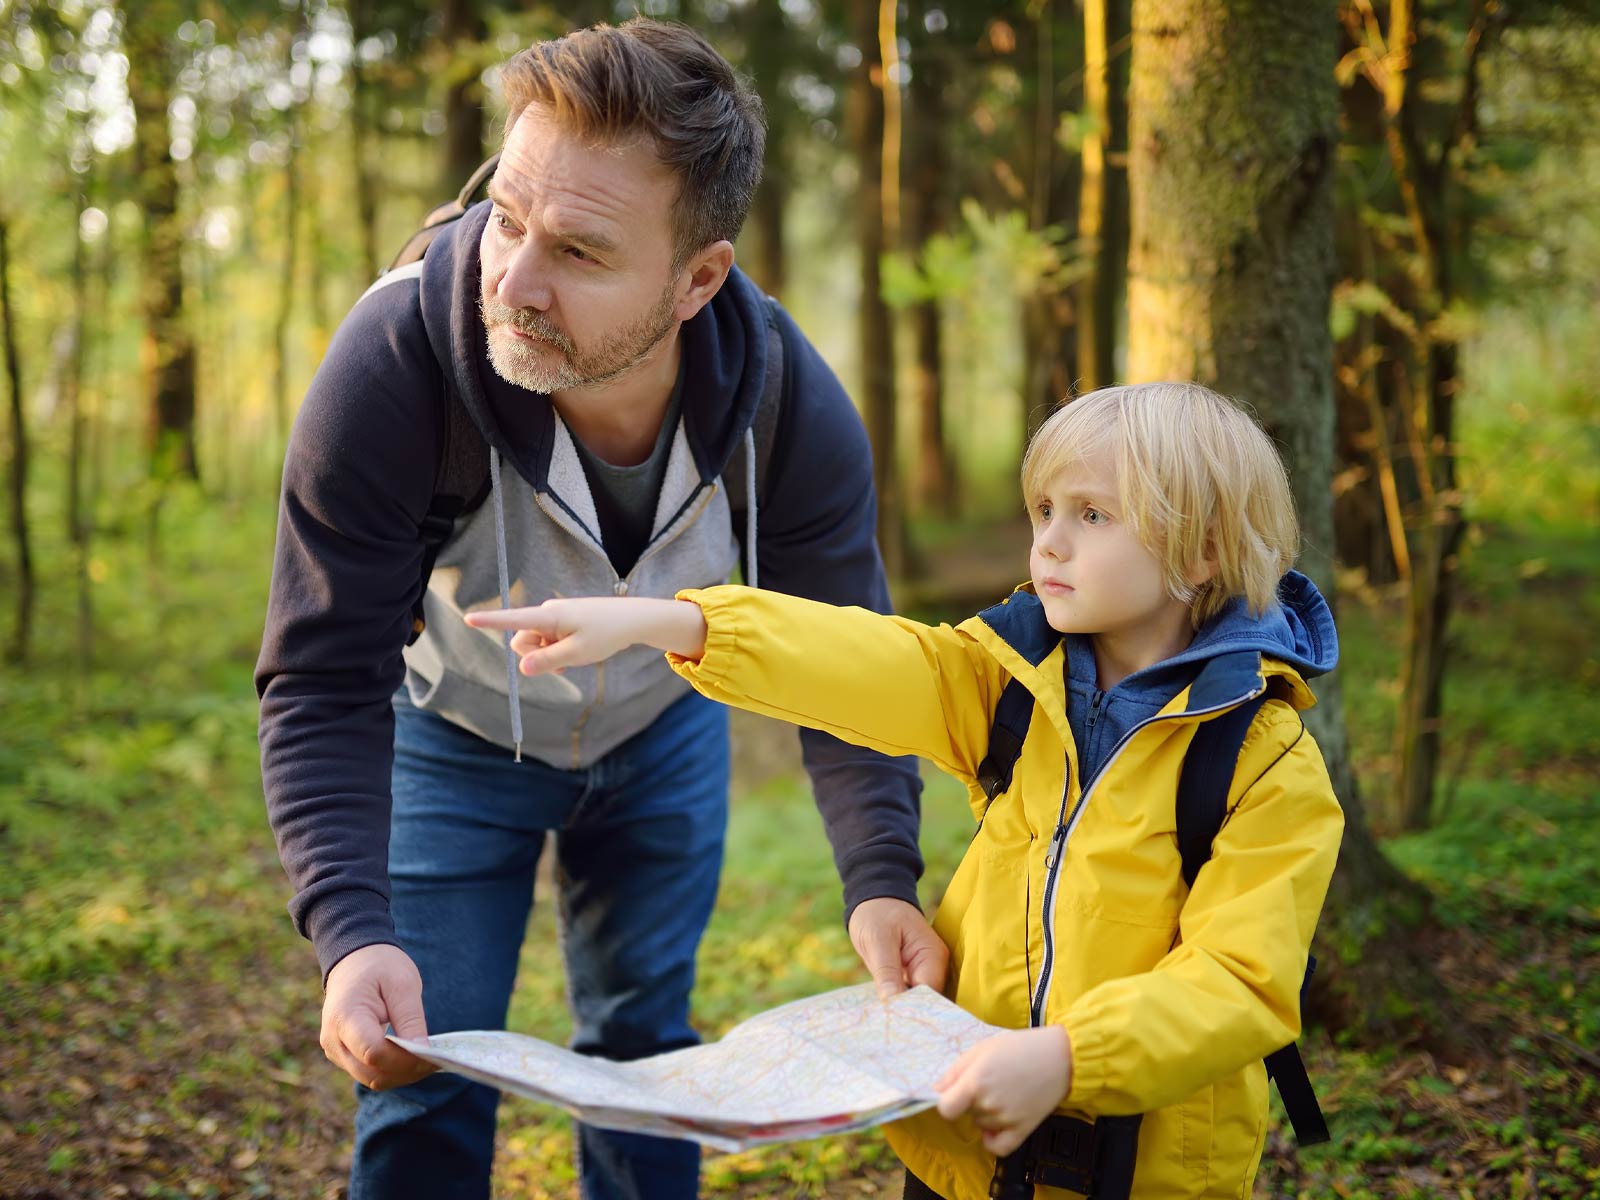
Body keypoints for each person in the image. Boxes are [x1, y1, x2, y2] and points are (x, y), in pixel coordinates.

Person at [254, 19, 945, 1200]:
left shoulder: (789, 405)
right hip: (450, 738)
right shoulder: (390, 367)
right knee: (420, 1079)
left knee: (645, 1056)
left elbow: (850, 659)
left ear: (698, 279)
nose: (511, 282)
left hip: (663, 735)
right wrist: (350, 927)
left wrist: (880, 873)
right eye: (508, 221)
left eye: (577, 252)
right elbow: (321, 676)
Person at [468, 382, 1348, 1199]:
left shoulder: (1265, 765)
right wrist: (667, 618)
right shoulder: (1007, 680)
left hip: (1144, 1171)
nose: (1050, 540)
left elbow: (1240, 982)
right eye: (1045, 509)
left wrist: (1069, 1060)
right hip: (960, 1149)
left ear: (1198, 549)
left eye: (1093, 514)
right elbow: (866, 662)